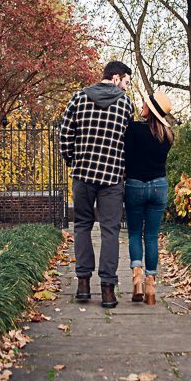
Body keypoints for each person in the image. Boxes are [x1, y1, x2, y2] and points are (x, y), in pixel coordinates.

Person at [59, 61, 135, 308]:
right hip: (112, 177)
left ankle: (82, 284)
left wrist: (73, 159)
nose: (125, 87)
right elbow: (128, 142)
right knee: (110, 230)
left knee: (81, 225)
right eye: (125, 81)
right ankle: (108, 290)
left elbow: (65, 135)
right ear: (115, 78)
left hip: (82, 175)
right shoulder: (125, 104)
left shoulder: (78, 98)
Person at [124, 91, 174, 305]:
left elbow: (126, 156)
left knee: (135, 233)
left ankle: (136, 278)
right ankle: (151, 286)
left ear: (151, 110)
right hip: (158, 187)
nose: (142, 104)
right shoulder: (168, 135)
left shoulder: (133, 129)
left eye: (145, 102)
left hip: (135, 185)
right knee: (151, 237)